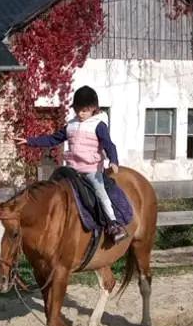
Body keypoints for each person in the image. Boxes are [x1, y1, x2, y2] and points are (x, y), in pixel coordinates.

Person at [26, 85, 127, 243]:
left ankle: (113, 224)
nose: (80, 114)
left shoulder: (99, 125)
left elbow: (108, 144)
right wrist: (29, 141)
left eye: (84, 110)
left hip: (91, 170)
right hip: (72, 170)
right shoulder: (71, 125)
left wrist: (113, 160)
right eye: (78, 110)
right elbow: (53, 139)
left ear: (93, 108)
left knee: (100, 193)